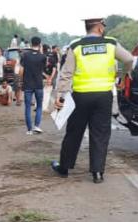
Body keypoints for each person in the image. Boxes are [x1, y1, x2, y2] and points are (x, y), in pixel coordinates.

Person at [52, 17, 133, 184]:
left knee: (74, 132)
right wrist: (124, 75)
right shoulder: (111, 43)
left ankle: (64, 168)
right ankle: (97, 172)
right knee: (100, 133)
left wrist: (60, 97)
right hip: (104, 95)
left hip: (81, 95)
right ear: (100, 28)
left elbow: (66, 73)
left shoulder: (76, 46)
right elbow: (129, 59)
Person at [20, 37, 47, 135]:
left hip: (27, 84)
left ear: (31, 44)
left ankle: (29, 129)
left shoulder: (25, 55)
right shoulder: (43, 57)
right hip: (39, 84)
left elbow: (21, 70)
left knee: (27, 107)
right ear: (40, 44)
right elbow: (43, 69)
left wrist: (21, 81)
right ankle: (37, 126)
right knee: (39, 106)